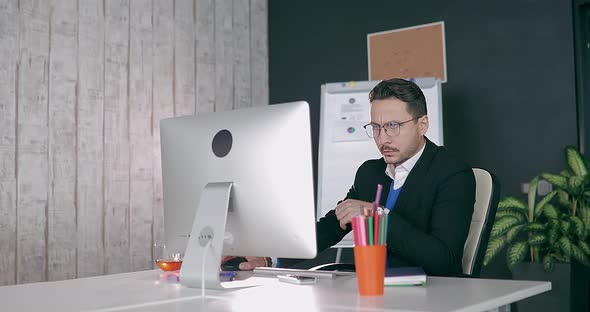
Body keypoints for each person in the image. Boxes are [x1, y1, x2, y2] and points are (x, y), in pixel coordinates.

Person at [225, 78, 476, 276]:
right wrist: (271, 258)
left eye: (393, 126)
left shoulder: (453, 174)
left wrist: (376, 216)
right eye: (376, 127)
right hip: (371, 289)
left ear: (422, 124)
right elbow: (332, 226)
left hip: (430, 295)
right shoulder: (370, 172)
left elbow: (444, 260)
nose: (383, 138)